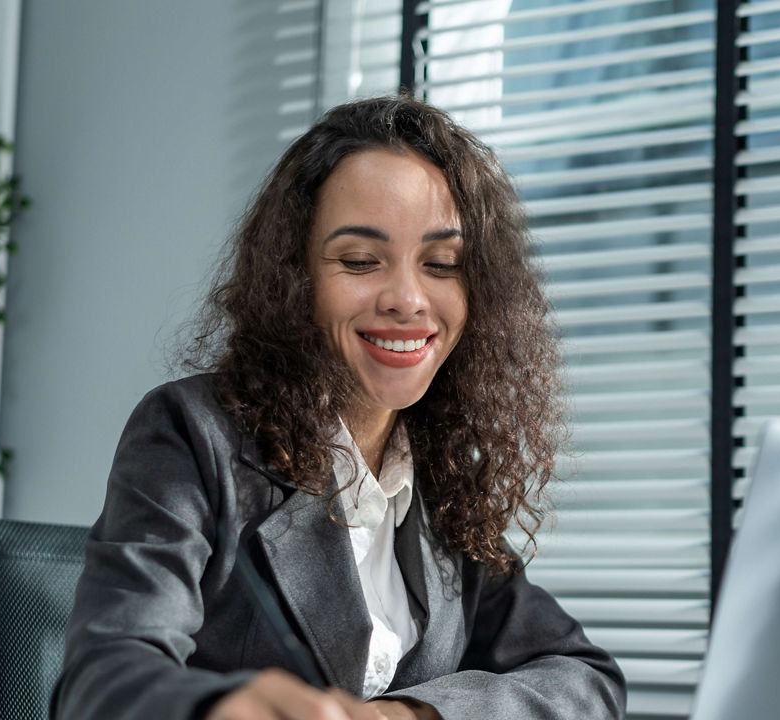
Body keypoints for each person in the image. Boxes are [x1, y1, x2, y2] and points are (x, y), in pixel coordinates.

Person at [51, 95, 626, 720]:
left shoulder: (439, 484)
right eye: (359, 261)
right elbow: (100, 683)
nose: (408, 299)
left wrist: (410, 716)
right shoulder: (194, 436)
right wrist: (222, 710)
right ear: (295, 278)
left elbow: (585, 678)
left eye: (441, 264)